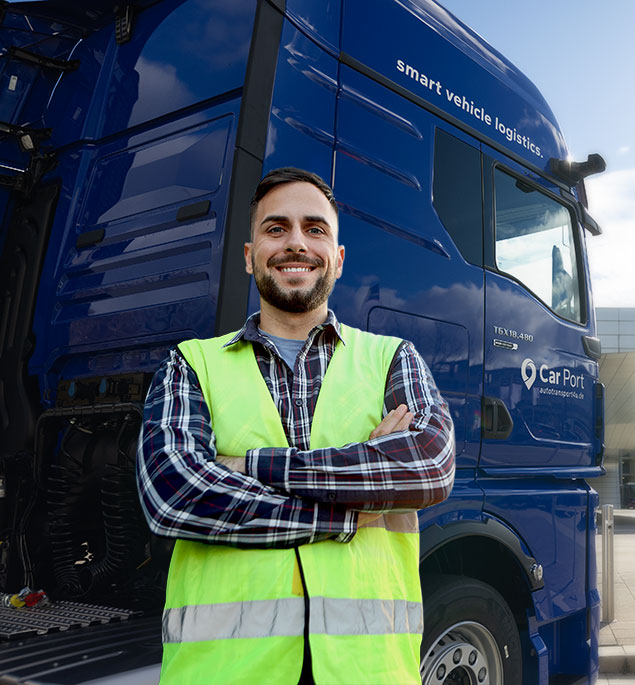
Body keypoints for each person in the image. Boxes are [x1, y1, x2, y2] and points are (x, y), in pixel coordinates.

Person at [136, 167, 456, 684]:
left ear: (339, 258)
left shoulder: (394, 358)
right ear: (250, 255)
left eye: (315, 229)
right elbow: (174, 493)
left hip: (367, 672)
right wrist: (348, 514)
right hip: (225, 674)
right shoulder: (192, 363)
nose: (296, 244)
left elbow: (427, 468)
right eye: (276, 228)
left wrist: (249, 466)